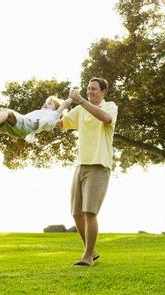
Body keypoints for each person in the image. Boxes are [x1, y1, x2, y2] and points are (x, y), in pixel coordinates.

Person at [56, 77, 118, 266]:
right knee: (76, 213)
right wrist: (58, 108)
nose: (90, 91)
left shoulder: (110, 107)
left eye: (93, 89)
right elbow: (61, 124)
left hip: (99, 165)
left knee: (89, 212)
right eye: (88, 88)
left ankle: (88, 256)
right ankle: (91, 250)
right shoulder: (80, 109)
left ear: (103, 92)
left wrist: (80, 100)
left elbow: (106, 119)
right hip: (81, 165)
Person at [0, 96, 73, 143]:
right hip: (18, 129)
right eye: (45, 103)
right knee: (1, 110)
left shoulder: (53, 115)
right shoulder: (41, 112)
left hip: (27, 125)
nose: (46, 104)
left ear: (56, 109)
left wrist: (72, 97)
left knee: (7, 112)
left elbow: (64, 104)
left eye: (50, 104)